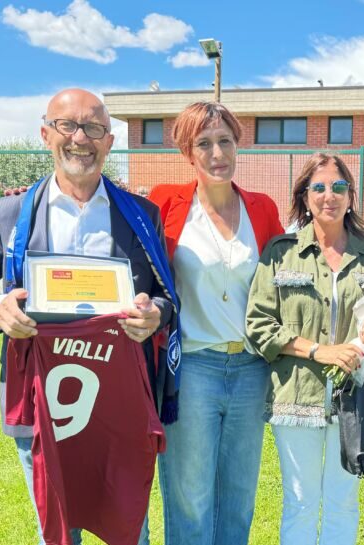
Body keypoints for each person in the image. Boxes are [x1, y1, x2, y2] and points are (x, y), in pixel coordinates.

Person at [0, 88, 173, 544]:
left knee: (131, 532)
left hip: (119, 406)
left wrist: (155, 315)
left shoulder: (143, 215)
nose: (80, 138)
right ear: (46, 134)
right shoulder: (10, 214)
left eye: (93, 128)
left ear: (108, 141)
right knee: (58, 535)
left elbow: (166, 294)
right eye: (68, 125)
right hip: (40, 403)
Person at [147, 101, 284, 545]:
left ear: (238, 145)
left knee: (239, 496)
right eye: (204, 143)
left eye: (225, 141)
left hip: (251, 369)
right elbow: (119, 225)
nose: (217, 153)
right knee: (191, 496)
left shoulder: (261, 209)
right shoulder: (165, 201)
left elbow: (286, 278)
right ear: (188, 152)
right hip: (192, 368)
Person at [245, 152, 364, 545]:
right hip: (295, 398)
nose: (330, 195)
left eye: (339, 187)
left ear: (350, 195)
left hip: (356, 398)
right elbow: (259, 325)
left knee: (344, 501)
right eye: (320, 187)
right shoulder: (281, 252)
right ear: (305, 195)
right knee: (300, 500)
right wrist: (318, 351)